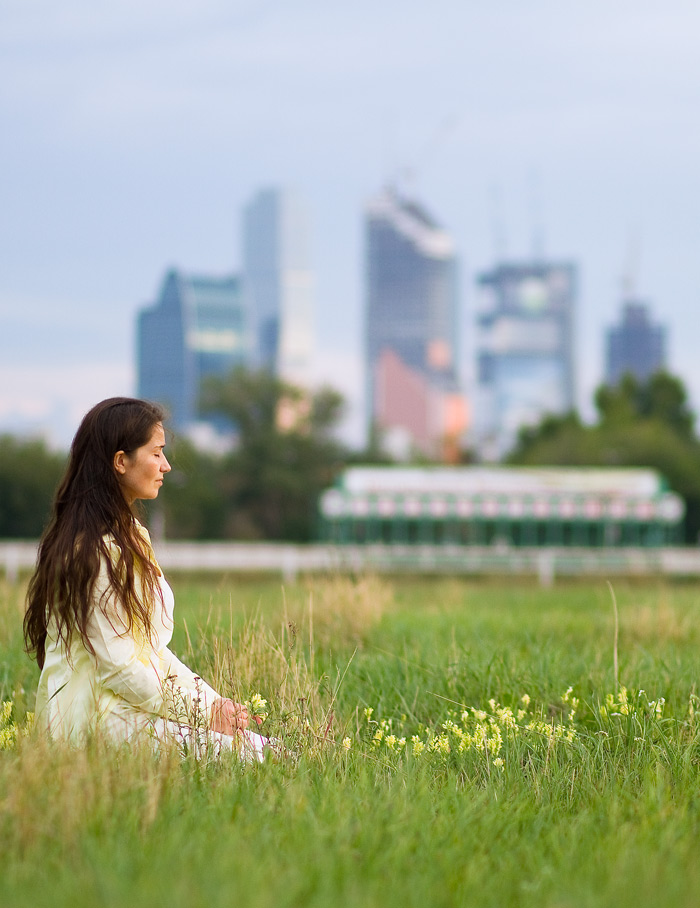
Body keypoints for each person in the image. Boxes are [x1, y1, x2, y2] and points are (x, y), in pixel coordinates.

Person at [24, 397, 270, 761]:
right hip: (89, 724)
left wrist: (215, 705)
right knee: (252, 756)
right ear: (121, 461)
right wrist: (202, 715)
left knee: (265, 748)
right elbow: (119, 666)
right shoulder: (91, 550)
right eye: (156, 453)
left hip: (125, 710)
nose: (166, 465)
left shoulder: (131, 535)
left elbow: (149, 653)